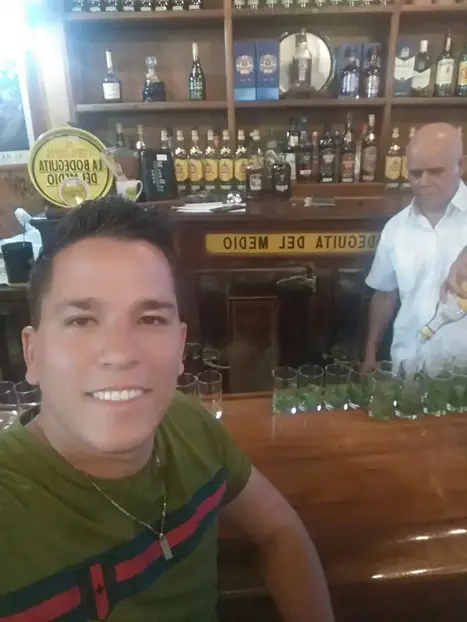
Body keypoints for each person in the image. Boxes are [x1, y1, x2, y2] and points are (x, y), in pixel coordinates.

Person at [0, 197, 334, 622]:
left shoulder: (188, 424)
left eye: (150, 319)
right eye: (81, 320)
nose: (119, 353)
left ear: (180, 346)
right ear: (33, 353)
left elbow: (279, 528)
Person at [363, 123, 467, 372]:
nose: (423, 182)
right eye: (416, 173)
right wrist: (370, 353)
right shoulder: (395, 227)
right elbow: (385, 294)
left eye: (435, 172)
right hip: (408, 367)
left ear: (461, 166)